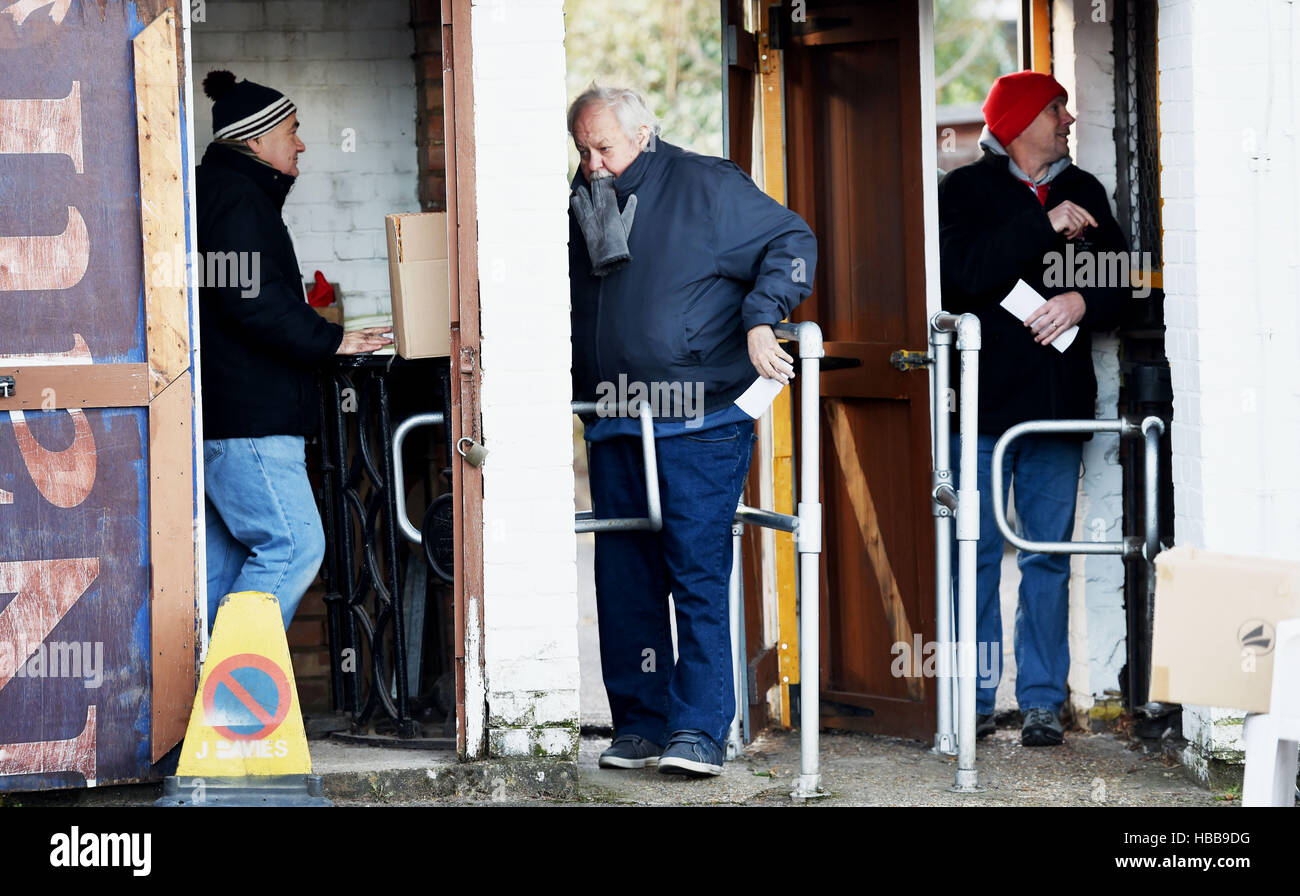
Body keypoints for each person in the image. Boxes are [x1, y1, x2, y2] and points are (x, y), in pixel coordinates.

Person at [568, 84, 816, 777]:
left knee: (697, 575)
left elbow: (792, 242)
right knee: (624, 580)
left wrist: (762, 313)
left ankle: (700, 732)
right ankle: (640, 726)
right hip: (615, 420)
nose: (592, 162)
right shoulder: (583, 199)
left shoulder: (706, 185)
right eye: (583, 149)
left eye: (604, 148)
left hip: (698, 421)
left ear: (642, 134)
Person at [939, 71, 1131, 746]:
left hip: (1057, 408)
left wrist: (1084, 301)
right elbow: (962, 280)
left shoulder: (1085, 191)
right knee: (980, 554)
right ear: (1022, 121)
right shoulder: (963, 191)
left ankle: (1044, 701)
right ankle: (979, 698)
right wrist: (1040, 224)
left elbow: (1121, 279)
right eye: (1057, 109)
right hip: (985, 410)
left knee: (1047, 554)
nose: (1069, 120)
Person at [197, 70, 390, 634]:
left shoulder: (221, 193)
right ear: (255, 140)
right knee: (294, 547)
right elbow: (249, 299)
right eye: (292, 130)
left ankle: (208, 708)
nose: (300, 142)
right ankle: (234, 703)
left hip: (226, 421)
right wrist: (332, 339)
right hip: (251, 423)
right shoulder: (236, 199)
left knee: (227, 565)